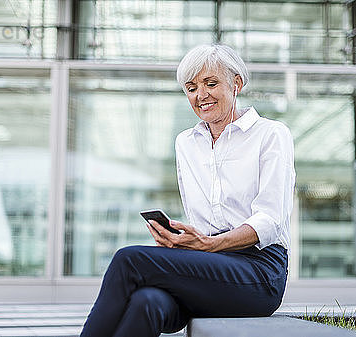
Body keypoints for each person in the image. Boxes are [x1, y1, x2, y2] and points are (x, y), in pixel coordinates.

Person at [79, 44, 296, 337]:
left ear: (237, 84)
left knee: (128, 259)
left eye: (210, 83)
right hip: (207, 266)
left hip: (258, 273)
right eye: (191, 88)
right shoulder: (186, 143)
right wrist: (179, 243)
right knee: (147, 301)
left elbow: (270, 221)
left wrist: (209, 245)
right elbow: (202, 222)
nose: (200, 95)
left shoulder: (271, 134)